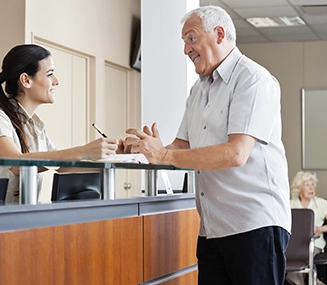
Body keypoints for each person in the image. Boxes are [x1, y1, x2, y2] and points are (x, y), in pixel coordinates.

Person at [122, 5, 291, 285]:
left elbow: (236, 153)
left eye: (191, 38)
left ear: (219, 34)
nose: (185, 50)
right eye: (184, 42)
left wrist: (162, 155)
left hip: (254, 225)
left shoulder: (253, 79)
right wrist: (145, 149)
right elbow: (180, 147)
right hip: (212, 230)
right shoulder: (199, 89)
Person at [0, 44, 118, 204]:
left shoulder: (35, 126)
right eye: (49, 74)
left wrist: (112, 156)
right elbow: (16, 164)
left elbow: (62, 165)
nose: (56, 81)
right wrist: (83, 151)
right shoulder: (2, 117)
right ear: (26, 80)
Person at [286, 171, 327, 285]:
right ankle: (315, 280)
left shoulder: (320, 203)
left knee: (301, 254)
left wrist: (319, 229)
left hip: (314, 244)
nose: (312, 188)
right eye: (307, 185)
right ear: (298, 188)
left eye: (313, 185)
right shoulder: (289, 204)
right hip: (292, 245)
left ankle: (303, 281)